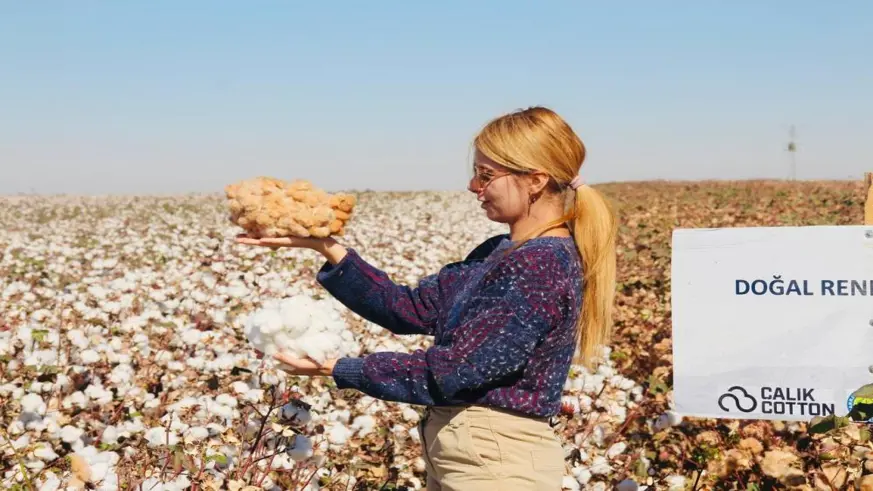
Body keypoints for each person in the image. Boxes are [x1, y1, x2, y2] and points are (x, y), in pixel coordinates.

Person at [236, 106, 618, 490]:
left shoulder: (538, 265)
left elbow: (457, 370)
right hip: (469, 450)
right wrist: (327, 248)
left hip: (497, 458)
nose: (474, 187)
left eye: (486, 175)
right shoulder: (499, 252)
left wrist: (340, 368)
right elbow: (408, 309)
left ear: (535, 180)